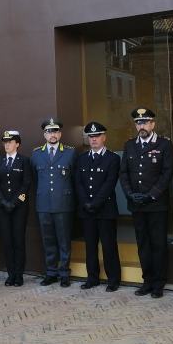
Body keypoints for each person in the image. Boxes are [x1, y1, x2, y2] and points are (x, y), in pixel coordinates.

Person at [119, 108, 173, 298]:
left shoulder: (164, 144)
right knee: (143, 244)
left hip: (156, 204)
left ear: (153, 124)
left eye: (145, 122)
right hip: (137, 204)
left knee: (158, 244)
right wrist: (130, 194)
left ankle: (159, 283)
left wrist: (151, 195)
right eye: (138, 123)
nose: (141, 126)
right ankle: (147, 281)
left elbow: (167, 173)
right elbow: (124, 173)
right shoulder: (129, 145)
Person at [74, 122, 121, 292]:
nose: (93, 139)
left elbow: (109, 183)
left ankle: (113, 279)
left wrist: (95, 202)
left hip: (105, 209)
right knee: (90, 246)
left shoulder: (113, 158)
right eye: (91, 137)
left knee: (109, 246)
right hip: (87, 210)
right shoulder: (82, 158)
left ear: (104, 137)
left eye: (97, 136)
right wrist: (86, 202)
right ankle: (92, 278)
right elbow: (78, 183)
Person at [31, 118, 76, 287]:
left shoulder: (70, 152)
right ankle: (51, 272)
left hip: (63, 203)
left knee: (64, 240)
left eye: (56, 131)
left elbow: (74, 178)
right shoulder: (36, 154)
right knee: (48, 239)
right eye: (49, 132)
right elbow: (36, 179)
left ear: (60, 134)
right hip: (43, 204)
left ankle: (64, 273)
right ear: (44, 134)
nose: (53, 135)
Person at [0, 130, 31, 287]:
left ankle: (19, 275)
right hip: (2, 208)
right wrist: (3, 201)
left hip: (19, 208)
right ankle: (11, 274)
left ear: (17, 144)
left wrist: (14, 202)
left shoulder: (24, 161)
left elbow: (26, 183)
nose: (7, 144)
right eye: (5, 142)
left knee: (18, 241)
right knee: (7, 242)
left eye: (10, 142)